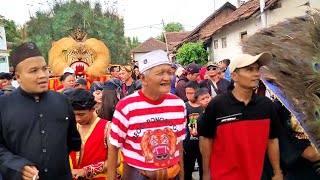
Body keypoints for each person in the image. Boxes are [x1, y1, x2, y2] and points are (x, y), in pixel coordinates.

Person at [0, 42, 81, 179]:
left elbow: (72, 142)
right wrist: (17, 166)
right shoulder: (3, 105)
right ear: (18, 77)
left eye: (44, 69)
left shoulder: (62, 101)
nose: (43, 75)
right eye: (34, 71)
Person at [199, 52, 283, 180]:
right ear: (234, 76)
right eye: (249, 69)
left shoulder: (266, 105)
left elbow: (272, 140)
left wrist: (277, 172)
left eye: (257, 69)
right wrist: (206, 173)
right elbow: (206, 139)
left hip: (258, 174)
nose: (256, 74)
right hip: (224, 175)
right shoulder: (217, 104)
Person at [107, 50, 187, 180]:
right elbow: (113, 146)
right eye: (160, 73)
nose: (167, 78)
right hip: (138, 175)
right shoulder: (127, 106)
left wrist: (182, 177)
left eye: (169, 72)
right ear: (143, 78)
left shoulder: (178, 104)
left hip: (172, 174)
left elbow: (179, 144)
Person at [66, 89, 109, 180]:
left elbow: (115, 161)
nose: (77, 119)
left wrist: (86, 171)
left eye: (81, 114)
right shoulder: (71, 126)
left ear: (93, 109)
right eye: (74, 115)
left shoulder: (108, 127)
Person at [183, 81, 203, 180]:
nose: (189, 95)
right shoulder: (184, 106)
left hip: (202, 144)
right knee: (187, 170)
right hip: (188, 144)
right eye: (187, 93)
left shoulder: (204, 106)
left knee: (203, 170)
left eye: (191, 93)